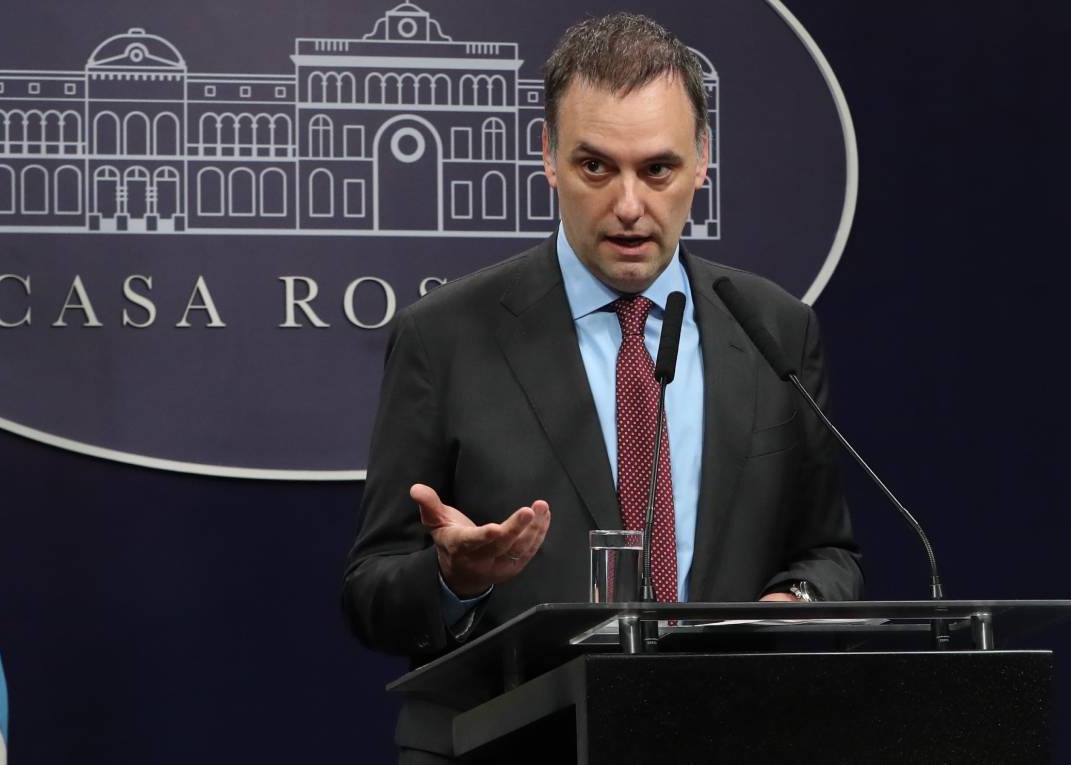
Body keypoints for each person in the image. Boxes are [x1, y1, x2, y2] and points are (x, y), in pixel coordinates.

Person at [342, 12, 862, 763]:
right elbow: (369, 589)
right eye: (595, 167)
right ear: (548, 156)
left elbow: (829, 553)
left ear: (702, 161)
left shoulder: (774, 329)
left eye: (657, 169)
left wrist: (789, 607)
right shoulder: (445, 336)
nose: (627, 205)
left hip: (724, 736)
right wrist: (454, 580)